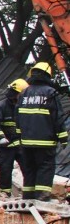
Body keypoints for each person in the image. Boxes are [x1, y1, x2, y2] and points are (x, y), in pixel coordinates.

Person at [17, 62, 68, 200]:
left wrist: (19, 136)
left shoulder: (23, 93)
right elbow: (58, 116)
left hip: (26, 142)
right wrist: (63, 137)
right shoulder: (51, 93)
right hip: (45, 141)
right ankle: (42, 197)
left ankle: (28, 197)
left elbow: (18, 117)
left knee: (29, 169)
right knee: (45, 168)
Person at [0, 78, 27, 196]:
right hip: (5, 145)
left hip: (21, 144)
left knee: (28, 168)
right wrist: (0, 138)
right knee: (5, 168)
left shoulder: (24, 105)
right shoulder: (1, 106)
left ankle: (29, 193)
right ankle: (5, 192)